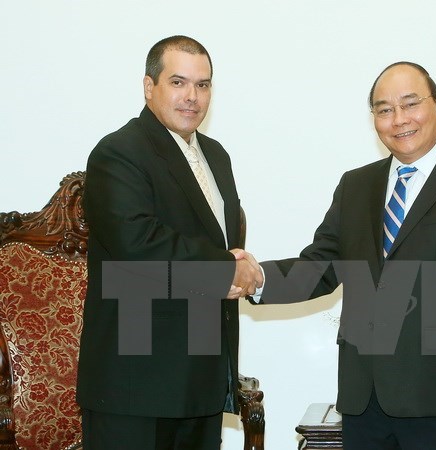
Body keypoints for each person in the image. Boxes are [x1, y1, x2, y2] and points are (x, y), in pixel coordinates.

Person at [243, 62, 436, 449]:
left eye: (410, 104)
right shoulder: (356, 185)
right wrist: (258, 279)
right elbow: (320, 266)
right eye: (384, 109)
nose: (399, 119)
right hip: (364, 402)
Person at [77, 35, 262, 450]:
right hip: (136, 386)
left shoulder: (216, 155)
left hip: (201, 382)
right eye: (178, 82)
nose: (192, 97)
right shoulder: (118, 152)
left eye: (203, 84)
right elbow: (137, 246)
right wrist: (225, 269)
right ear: (149, 87)